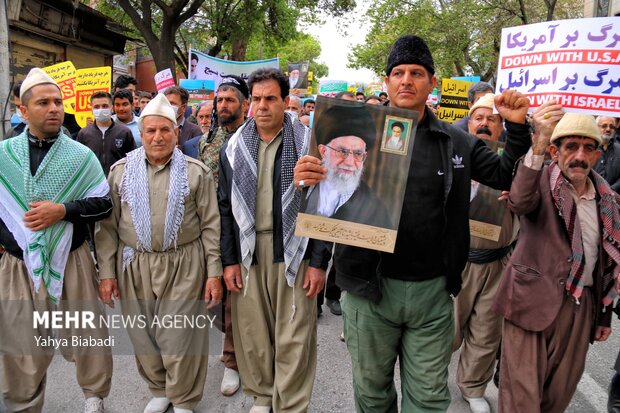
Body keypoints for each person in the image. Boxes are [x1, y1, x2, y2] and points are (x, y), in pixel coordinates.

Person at [294, 34, 532, 412]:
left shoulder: (457, 142)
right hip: (368, 289)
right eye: (398, 73)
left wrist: (519, 128)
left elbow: (507, 175)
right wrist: (309, 177)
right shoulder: (355, 139)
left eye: (417, 73)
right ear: (386, 82)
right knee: (372, 394)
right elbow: (325, 209)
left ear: (431, 83)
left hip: (432, 294)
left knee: (428, 399)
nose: (407, 80)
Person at [96, 93, 223, 413]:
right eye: (150, 130)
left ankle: (183, 397)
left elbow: (211, 225)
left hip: (184, 264)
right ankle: (160, 388)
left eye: (165, 130)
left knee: (180, 335)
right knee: (143, 336)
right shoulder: (121, 172)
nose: (158, 137)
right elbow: (107, 228)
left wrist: (214, 273)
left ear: (176, 132)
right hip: (134, 265)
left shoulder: (196, 172)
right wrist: (108, 273)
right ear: (141, 133)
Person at [0, 67, 113, 413]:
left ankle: (94, 395)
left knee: (86, 336)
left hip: (72, 260)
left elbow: (104, 203)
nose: (54, 108)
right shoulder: (4, 155)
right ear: (23, 110)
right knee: (20, 343)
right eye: (44, 102)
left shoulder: (80, 156)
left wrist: (63, 210)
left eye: (58, 102)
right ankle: (24, 403)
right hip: (17, 265)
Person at [492, 110, 619, 413]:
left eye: (588, 148)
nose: (579, 155)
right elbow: (519, 202)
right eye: (570, 146)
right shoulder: (538, 182)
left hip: (580, 308)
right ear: (554, 150)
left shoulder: (608, 201)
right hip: (530, 302)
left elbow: (606, 264)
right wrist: (537, 144)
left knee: (557, 397)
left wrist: (603, 316)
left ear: (598, 154)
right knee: (521, 400)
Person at [218, 67, 329, 412]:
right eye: (257, 99)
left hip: (294, 252)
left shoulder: (310, 145)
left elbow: (325, 206)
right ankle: (263, 396)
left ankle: (291, 404)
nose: (263, 106)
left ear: (286, 102)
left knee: (294, 335)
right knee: (253, 334)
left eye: (271, 98)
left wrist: (319, 262)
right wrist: (229, 260)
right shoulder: (233, 148)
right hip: (249, 253)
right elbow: (224, 207)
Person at [453, 93, 513, 413]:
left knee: (486, 332)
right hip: (457, 262)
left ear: (502, 125)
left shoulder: (515, 162)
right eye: (479, 118)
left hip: (498, 262)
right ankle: (429, 380)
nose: (485, 124)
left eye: (492, 119)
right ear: (469, 122)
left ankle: (473, 386)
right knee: (445, 329)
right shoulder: (452, 153)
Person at [306, 104, 392, 318]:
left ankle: (332, 295)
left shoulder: (375, 207)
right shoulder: (306, 184)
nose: (350, 162)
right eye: (343, 151)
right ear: (323, 150)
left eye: (358, 154)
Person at [198, 74, 249, 397]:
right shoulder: (208, 139)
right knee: (214, 300)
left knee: (234, 298)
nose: (223, 105)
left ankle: (232, 360)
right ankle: (233, 344)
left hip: (242, 231)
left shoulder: (253, 138)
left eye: (230, 99)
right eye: (220, 100)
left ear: (244, 104)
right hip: (211, 229)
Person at [77, 91, 136, 175]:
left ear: (112, 108)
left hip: (118, 182)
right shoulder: (84, 133)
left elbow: (133, 159)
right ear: (91, 109)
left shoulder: (124, 131)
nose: (100, 110)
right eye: (96, 107)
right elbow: (79, 162)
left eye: (104, 106)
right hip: (94, 182)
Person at [593, 116, 620, 192]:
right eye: (604, 126)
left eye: (612, 127)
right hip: (590, 196)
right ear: (596, 127)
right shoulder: (589, 149)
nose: (608, 129)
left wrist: (611, 190)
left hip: (614, 197)